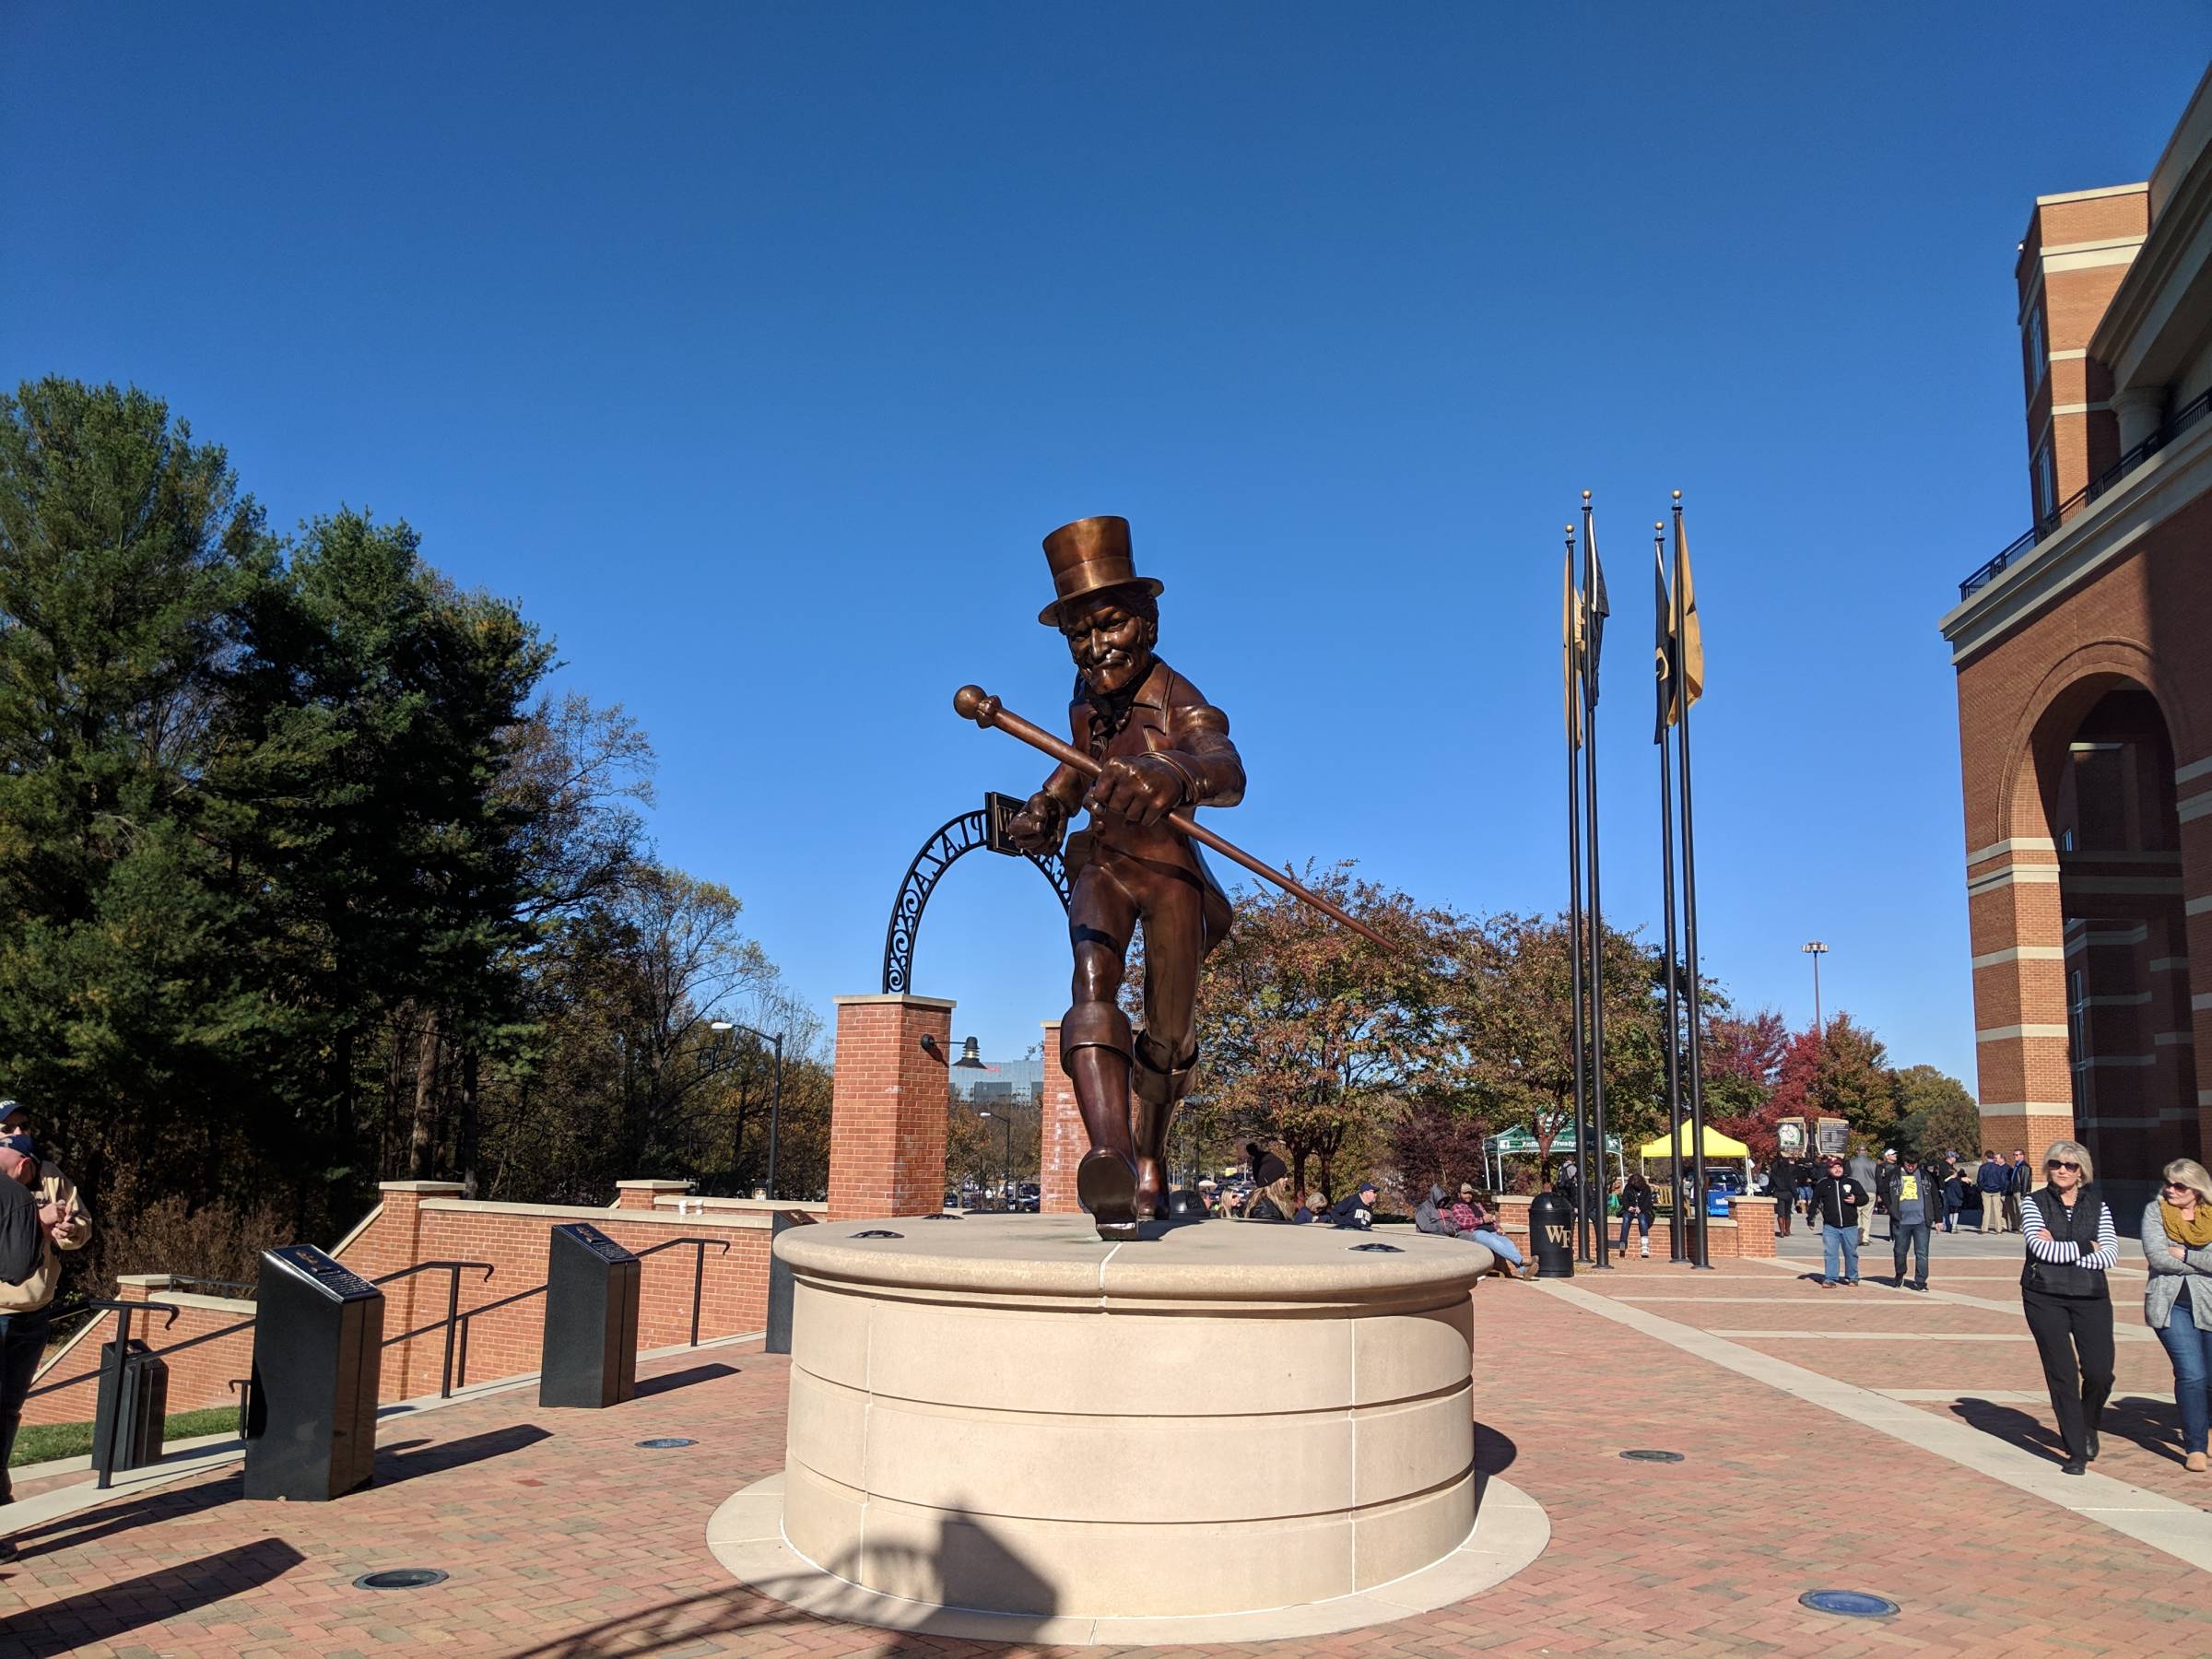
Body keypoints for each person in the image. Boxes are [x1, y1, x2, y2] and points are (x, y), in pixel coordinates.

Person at [1002, 516, 1247, 1238]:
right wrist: (1047, 808)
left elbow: (1226, 767)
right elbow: (1076, 769)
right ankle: (1107, 1155)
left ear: (1146, 624)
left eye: (1108, 627)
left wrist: (1174, 772)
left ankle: (1148, 1152)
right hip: (1105, 863)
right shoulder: (1085, 699)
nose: (1094, 647)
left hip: (1170, 874)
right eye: (1079, 635)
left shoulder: (1178, 696)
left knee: (1169, 1038)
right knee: (1090, 983)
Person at [0, 1131, 91, 1511]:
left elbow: (80, 1227)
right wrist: (38, 1219)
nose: (19, 1133)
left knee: (8, 1412)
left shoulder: (52, 1177)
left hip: (34, 1312)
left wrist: (70, 1231)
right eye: (8, 1129)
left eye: (22, 1126)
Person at [2021, 1139, 2118, 1475]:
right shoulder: (2033, 1203)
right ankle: (2076, 1450)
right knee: (2062, 1373)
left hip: (2091, 1295)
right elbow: (2039, 1249)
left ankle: (2088, 1421)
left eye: (2070, 1165)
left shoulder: (2098, 1206)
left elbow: (2108, 1255)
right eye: (2055, 1164)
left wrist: (2064, 1246)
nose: (2062, 1170)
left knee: (2099, 1373)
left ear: (2082, 1171)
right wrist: (2083, 1245)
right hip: (2044, 1294)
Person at [2141, 1158, 2212, 1474]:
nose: (2170, 1189)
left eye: (2179, 1185)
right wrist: (2202, 1262)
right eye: (2168, 1183)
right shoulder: (2155, 1212)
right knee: (2192, 1373)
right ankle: (2195, 1445)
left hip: (2209, 1304)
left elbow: (2173, 1257)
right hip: (2171, 1306)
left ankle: (2208, 1431)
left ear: (2196, 1189)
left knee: (2210, 1378)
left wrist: (2184, 1254)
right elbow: (2157, 1257)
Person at [1811, 1153, 1868, 1288]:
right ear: (1829, 1169)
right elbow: (1815, 1202)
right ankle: (1830, 1278)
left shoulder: (1852, 1182)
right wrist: (1811, 1218)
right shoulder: (1823, 1184)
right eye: (1834, 1167)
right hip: (1831, 1226)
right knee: (1830, 1252)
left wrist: (1856, 1200)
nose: (1837, 1169)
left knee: (1851, 1252)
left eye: (1839, 1166)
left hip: (1850, 1225)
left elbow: (1864, 1198)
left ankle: (1852, 1277)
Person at [1889, 1151, 1938, 1290]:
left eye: (1914, 1165)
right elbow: (1883, 1190)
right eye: (1908, 1165)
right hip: (1901, 1221)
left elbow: (1934, 1196)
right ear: (1903, 1163)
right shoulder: (1894, 1174)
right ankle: (1900, 1273)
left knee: (1922, 1252)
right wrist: (1891, 1208)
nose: (1911, 1167)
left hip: (1921, 1221)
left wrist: (1938, 1219)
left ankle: (1921, 1281)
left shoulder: (1925, 1176)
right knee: (1900, 1251)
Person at [1453, 1188, 1524, 1277]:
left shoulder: (1478, 1205)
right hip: (1476, 1231)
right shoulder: (1457, 1207)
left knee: (1508, 1242)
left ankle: (1524, 1271)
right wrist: (1482, 1220)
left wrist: (1498, 1228)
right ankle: (1522, 1261)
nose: (1468, 1195)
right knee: (1494, 1242)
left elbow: (1490, 1219)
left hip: (1490, 1229)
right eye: (1465, 1193)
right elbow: (1462, 1222)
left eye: (1470, 1193)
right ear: (1459, 1194)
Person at [1618, 1171, 1655, 1258]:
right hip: (1630, 1210)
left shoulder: (1646, 1188)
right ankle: (1622, 1243)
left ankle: (1644, 1247)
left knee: (1642, 1220)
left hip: (1643, 1210)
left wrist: (1640, 1208)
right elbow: (1624, 1200)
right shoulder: (1628, 1188)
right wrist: (1628, 1207)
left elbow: (1648, 1202)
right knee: (1626, 1219)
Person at [1848, 1147, 1879, 1245]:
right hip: (1870, 1191)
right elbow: (1878, 1179)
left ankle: (1857, 1236)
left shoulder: (1851, 1162)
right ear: (1866, 1151)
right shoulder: (1873, 1164)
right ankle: (1865, 1238)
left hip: (1856, 1191)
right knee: (1867, 1216)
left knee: (1856, 1214)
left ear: (1857, 1151)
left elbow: (1847, 1176)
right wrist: (1879, 1193)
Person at [1976, 1150, 2011, 1233]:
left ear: (1986, 1157)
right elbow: (2003, 1180)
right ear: (1993, 1158)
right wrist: (2001, 1189)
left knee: (1986, 1210)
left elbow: (1979, 1180)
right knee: (1997, 1210)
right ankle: (1999, 1229)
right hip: (1997, 1190)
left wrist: (1981, 1188)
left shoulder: (1983, 1167)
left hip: (1986, 1190)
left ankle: (1984, 1228)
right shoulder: (1999, 1167)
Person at [1766, 1155, 1794, 1237]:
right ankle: (1787, 1230)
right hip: (1788, 1194)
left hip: (1778, 1193)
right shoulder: (1789, 1173)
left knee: (1780, 1213)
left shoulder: (1774, 1173)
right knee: (1787, 1212)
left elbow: (1770, 1185)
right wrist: (1796, 1197)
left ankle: (1782, 1231)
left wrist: (1768, 1193)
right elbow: (1793, 1185)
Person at [1875, 1148, 1900, 1241]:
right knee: (1894, 1212)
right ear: (1887, 1156)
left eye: (1895, 1154)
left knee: (1895, 1213)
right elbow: (1879, 1181)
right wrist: (1880, 1194)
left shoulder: (1895, 1166)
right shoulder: (1884, 1167)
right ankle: (1894, 1235)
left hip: (1893, 1192)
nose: (1895, 1156)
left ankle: (1894, 1235)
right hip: (1887, 1193)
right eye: (1893, 1154)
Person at [2006, 1148, 2031, 1234]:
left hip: (2020, 1191)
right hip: (2015, 1190)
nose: (2015, 1157)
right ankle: (2018, 1226)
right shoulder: (2017, 1166)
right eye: (2014, 1155)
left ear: (2022, 1156)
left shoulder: (2024, 1166)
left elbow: (2025, 1180)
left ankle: (2023, 1227)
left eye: (2016, 1155)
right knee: (2016, 1210)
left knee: (2021, 1210)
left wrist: (2024, 1194)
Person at [1941, 1154, 1967, 1235]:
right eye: (1954, 1157)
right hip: (1949, 1192)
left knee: (1949, 1209)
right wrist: (1962, 1195)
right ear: (1950, 1157)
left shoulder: (1949, 1166)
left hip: (1948, 1191)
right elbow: (1946, 1179)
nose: (1955, 1159)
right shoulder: (1945, 1166)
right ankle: (1950, 1226)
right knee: (1949, 1209)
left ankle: (1950, 1226)